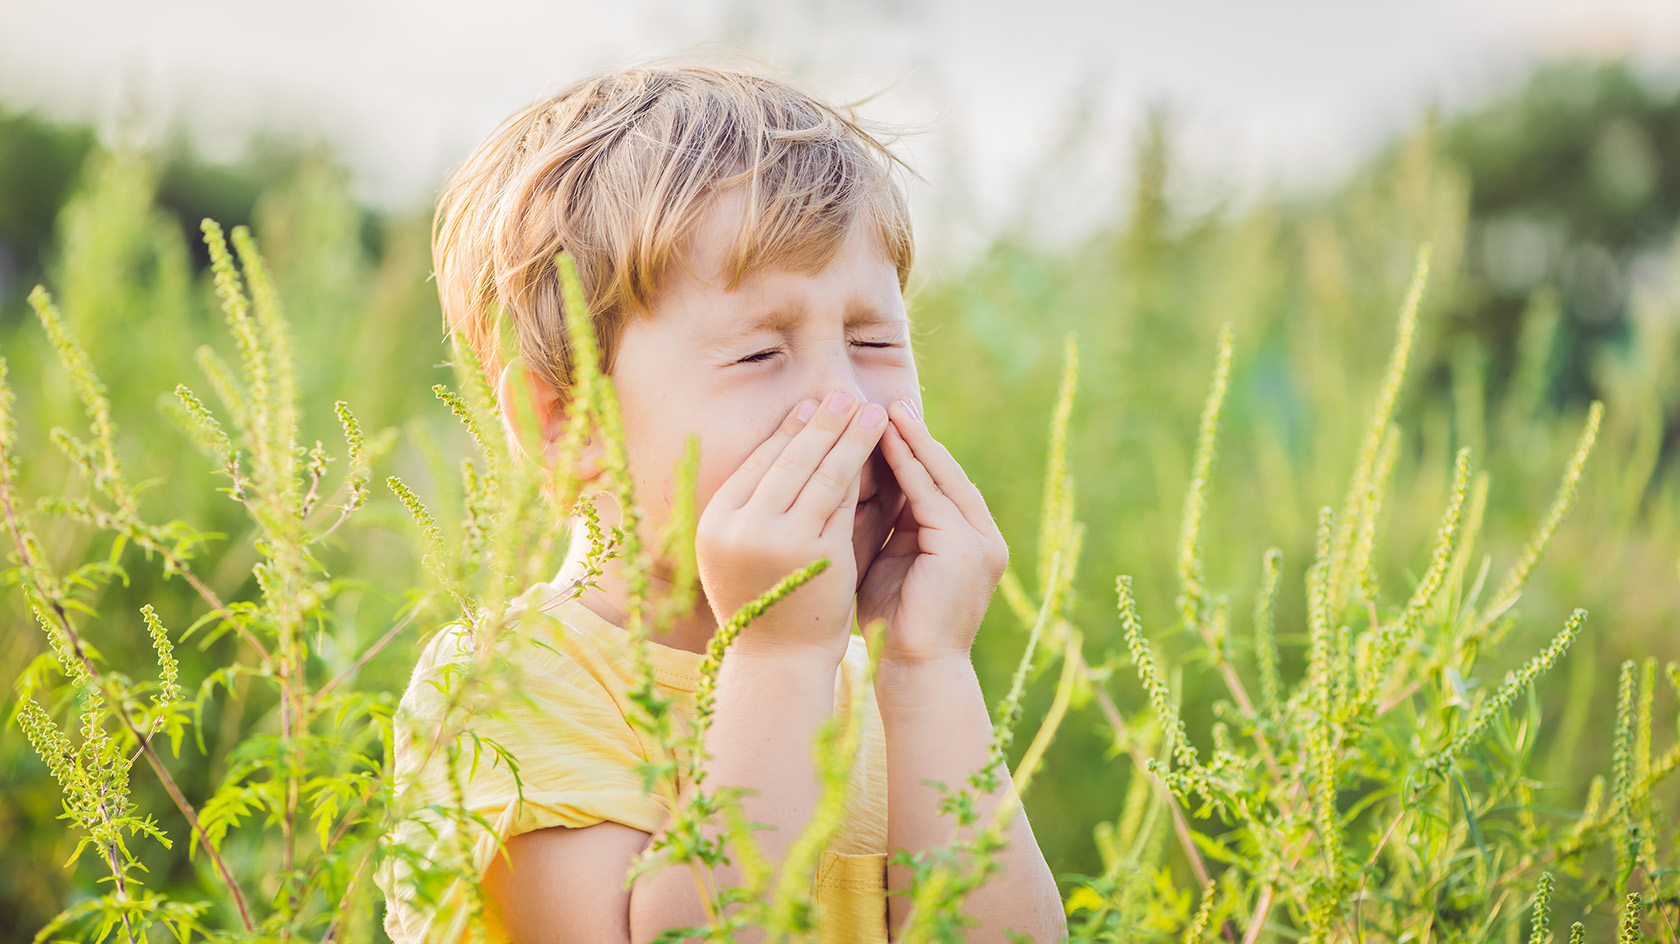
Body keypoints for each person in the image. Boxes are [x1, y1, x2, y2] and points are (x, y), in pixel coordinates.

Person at [376, 61, 1065, 944]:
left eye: (873, 339)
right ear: (569, 417)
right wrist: (775, 653)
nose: (847, 405)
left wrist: (930, 669)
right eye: (759, 355)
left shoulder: (881, 693)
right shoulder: (506, 688)